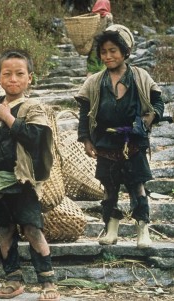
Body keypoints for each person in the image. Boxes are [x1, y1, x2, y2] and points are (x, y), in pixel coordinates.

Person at [0, 49, 60, 300]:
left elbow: (37, 139)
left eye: (19, 74)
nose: (13, 79)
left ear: (30, 78)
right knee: (5, 230)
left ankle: (47, 282)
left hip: (21, 182)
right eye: (6, 74)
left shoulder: (33, 107)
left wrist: (10, 119)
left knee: (32, 230)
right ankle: (13, 279)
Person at [76, 24, 164, 249]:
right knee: (109, 187)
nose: (108, 56)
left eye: (113, 51)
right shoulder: (94, 82)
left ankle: (142, 229)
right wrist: (86, 140)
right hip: (105, 142)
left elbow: (157, 103)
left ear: (125, 51)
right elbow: (84, 115)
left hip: (132, 142)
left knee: (137, 186)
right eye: (104, 52)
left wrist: (148, 120)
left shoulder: (140, 77)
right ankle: (111, 229)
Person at [86, 0, 113, 77]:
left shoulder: (92, 16)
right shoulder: (108, 16)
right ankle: (102, 86)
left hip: (93, 47)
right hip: (104, 47)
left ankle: (89, 85)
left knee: (91, 68)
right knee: (103, 67)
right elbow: (111, 30)